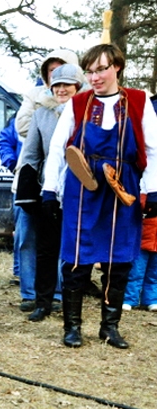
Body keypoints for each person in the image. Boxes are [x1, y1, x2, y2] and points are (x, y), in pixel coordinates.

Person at [41, 44, 157, 349]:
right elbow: (57, 149)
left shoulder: (139, 101)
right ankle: (73, 327)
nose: (94, 77)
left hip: (124, 188)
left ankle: (110, 327)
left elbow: (154, 150)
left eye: (101, 69)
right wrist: (49, 190)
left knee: (118, 262)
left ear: (116, 67)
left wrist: (153, 190)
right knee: (76, 260)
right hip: (84, 187)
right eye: (89, 71)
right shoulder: (77, 104)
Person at [15, 63, 86, 322]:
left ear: (78, 86)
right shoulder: (41, 115)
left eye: (67, 84)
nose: (62, 89)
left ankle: (69, 301)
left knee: (75, 250)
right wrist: (29, 189)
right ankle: (43, 302)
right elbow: (32, 153)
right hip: (50, 188)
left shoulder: (89, 112)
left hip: (81, 188)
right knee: (46, 248)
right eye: (57, 84)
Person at [0, 117, 34, 311]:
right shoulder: (20, 118)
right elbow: (4, 141)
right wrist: (12, 163)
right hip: (24, 180)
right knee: (24, 235)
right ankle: (25, 283)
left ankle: (55, 291)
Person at [14, 49, 79, 138]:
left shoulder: (87, 96)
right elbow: (22, 126)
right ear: (46, 73)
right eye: (52, 70)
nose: (56, 74)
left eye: (61, 69)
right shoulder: (34, 95)